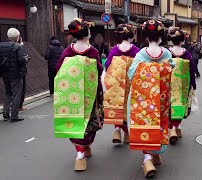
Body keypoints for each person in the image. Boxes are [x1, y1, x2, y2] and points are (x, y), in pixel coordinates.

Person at [127, 20, 174, 178]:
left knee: (145, 123)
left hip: (143, 99)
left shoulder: (141, 54)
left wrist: (147, 73)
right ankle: (155, 154)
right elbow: (172, 70)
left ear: (146, 36)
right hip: (161, 97)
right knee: (160, 122)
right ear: (161, 36)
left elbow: (131, 74)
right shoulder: (166, 54)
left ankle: (147, 158)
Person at [55, 18, 103, 171]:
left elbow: (59, 70)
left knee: (75, 120)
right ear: (88, 34)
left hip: (72, 94)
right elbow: (99, 70)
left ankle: (81, 151)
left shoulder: (67, 51)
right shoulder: (93, 51)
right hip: (91, 93)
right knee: (90, 122)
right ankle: (81, 154)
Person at [104, 24, 140, 144]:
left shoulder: (114, 49)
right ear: (131, 35)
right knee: (128, 106)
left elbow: (107, 65)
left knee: (117, 104)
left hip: (116, 83)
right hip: (130, 82)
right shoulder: (135, 50)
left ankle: (117, 130)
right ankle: (126, 133)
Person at [167, 27, 196, 144]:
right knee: (180, 105)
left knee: (170, 105)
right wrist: (193, 84)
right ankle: (176, 127)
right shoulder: (186, 54)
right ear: (182, 40)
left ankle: (173, 128)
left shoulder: (167, 53)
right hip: (183, 84)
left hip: (169, 84)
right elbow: (192, 70)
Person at [0, 28, 28, 122]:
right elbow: (21, 61)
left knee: (8, 92)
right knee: (16, 94)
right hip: (16, 74)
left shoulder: (0, 46)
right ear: (17, 37)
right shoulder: (18, 46)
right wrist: (26, 59)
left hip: (5, 73)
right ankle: (14, 116)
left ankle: (5, 112)